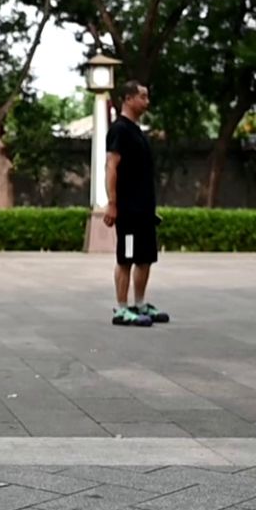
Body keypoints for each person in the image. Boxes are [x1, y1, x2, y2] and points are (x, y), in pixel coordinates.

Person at [103, 80, 170, 327]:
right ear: (129, 99)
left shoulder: (137, 131)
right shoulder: (119, 129)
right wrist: (112, 203)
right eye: (143, 96)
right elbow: (111, 166)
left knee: (145, 258)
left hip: (144, 211)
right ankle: (122, 309)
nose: (147, 101)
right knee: (127, 257)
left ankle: (140, 304)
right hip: (128, 211)